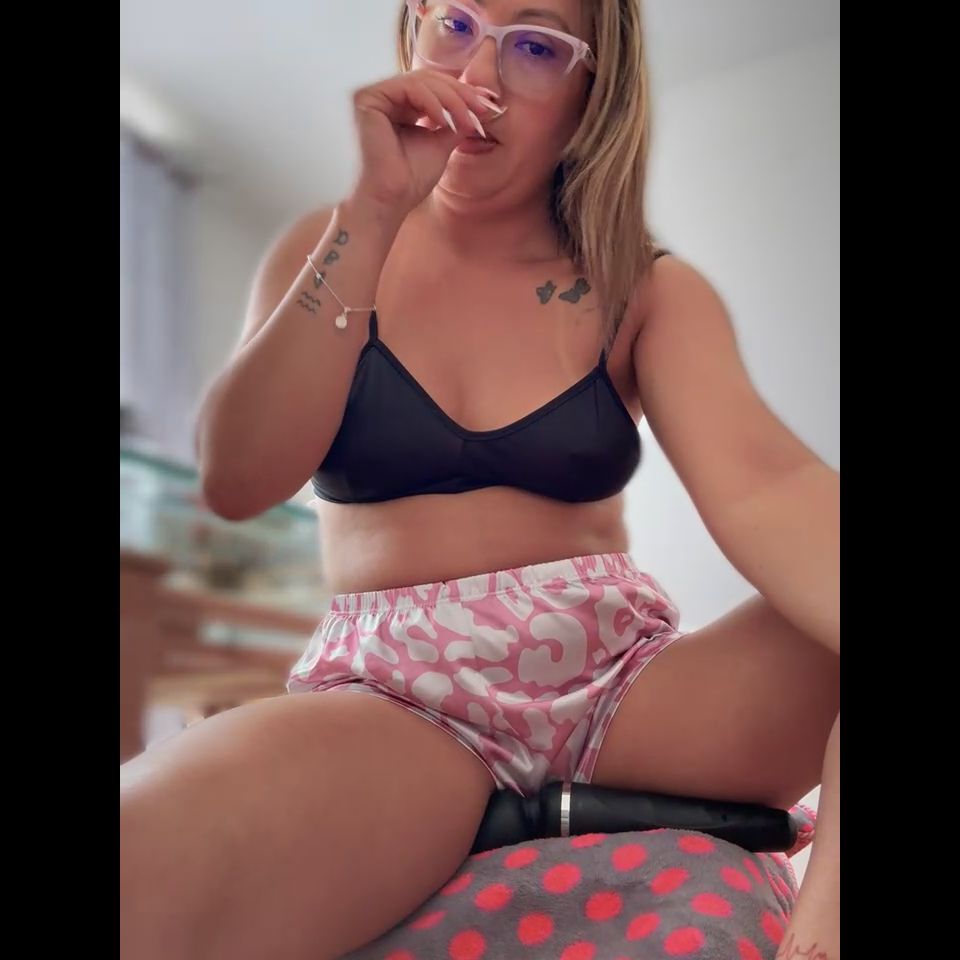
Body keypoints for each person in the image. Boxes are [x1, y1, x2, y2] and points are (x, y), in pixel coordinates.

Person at [120, 2, 840, 958]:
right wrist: (371, 212)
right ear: (413, 26)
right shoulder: (326, 250)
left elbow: (765, 487)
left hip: (625, 687)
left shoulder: (645, 287)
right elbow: (238, 476)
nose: (480, 77)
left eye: (535, 47)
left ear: (591, 92)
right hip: (400, 699)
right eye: (456, 23)